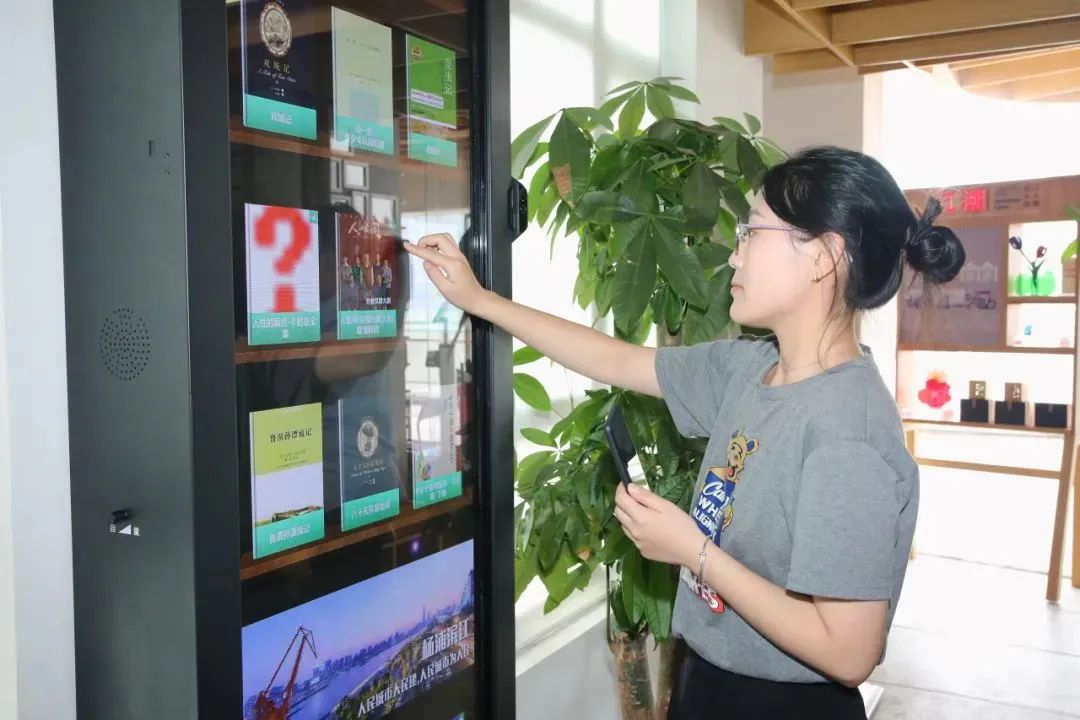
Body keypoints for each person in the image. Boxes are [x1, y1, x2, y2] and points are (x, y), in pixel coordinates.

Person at [403, 146, 965, 719]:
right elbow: (616, 360)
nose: (735, 255)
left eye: (753, 233)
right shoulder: (751, 367)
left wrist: (694, 552)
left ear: (823, 256)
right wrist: (478, 299)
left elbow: (849, 652)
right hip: (709, 682)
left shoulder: (849, 433)